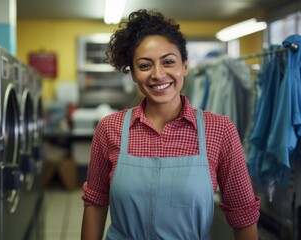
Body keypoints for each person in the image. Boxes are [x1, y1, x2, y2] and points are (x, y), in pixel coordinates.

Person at [81, 9, 260, 240]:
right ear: (134, 73)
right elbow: (95, 203)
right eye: (145, 65)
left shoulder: (219, 130)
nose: (158, 74)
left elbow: (243, 214)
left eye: (168, 62)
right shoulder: (110, 128)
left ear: (184, 66)